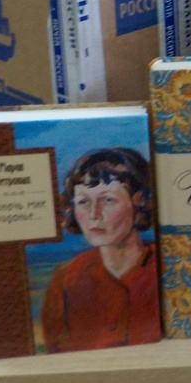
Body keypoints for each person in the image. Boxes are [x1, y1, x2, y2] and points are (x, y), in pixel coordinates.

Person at [39, 147, 161, 353]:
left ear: (138, 201)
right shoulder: (65, 280)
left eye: (107, 200)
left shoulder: (169, 266)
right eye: (83, 202)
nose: (94, 214)